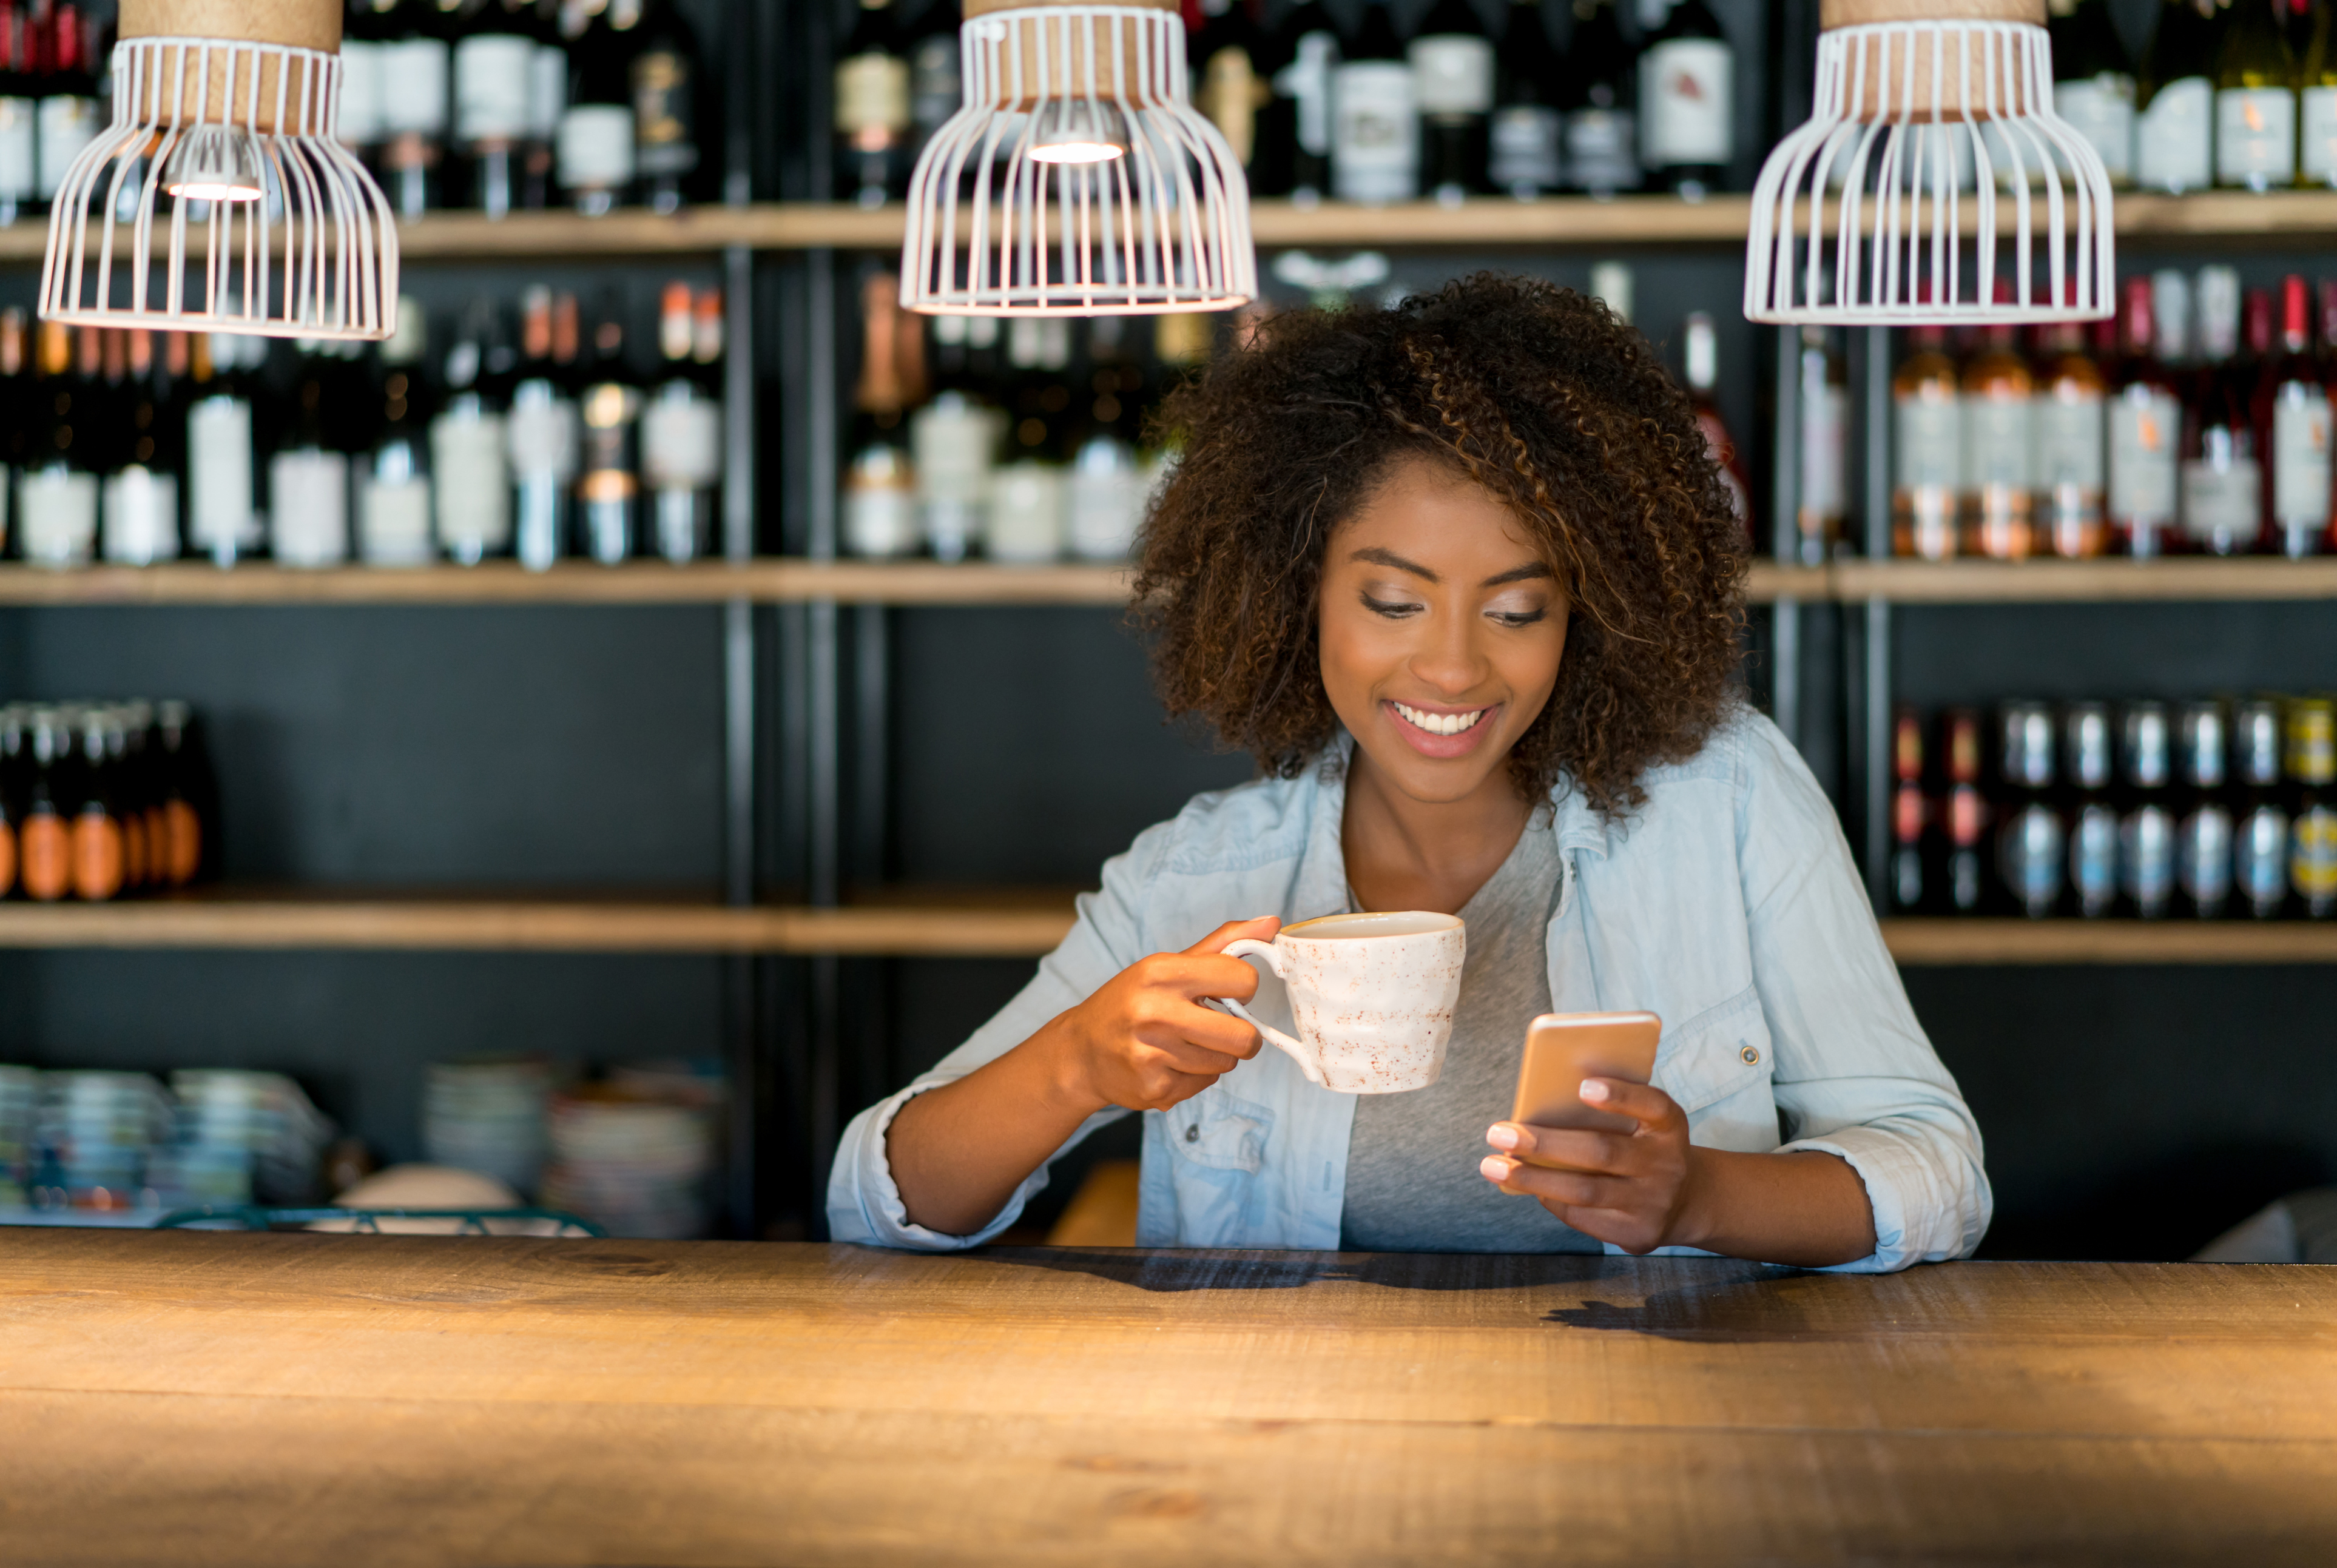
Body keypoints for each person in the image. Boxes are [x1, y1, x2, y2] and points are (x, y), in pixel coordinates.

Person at [830, 274, 1989, 1269]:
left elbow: (1938, 1164)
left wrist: (1704, 1198)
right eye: (1392, 601)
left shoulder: (1723, 800)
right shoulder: (1194, 878)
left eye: (1518, 608)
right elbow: (874, 1200)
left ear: (1589, 612)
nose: (1452, 666)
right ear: (1298, 594)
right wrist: (1074, 1066)